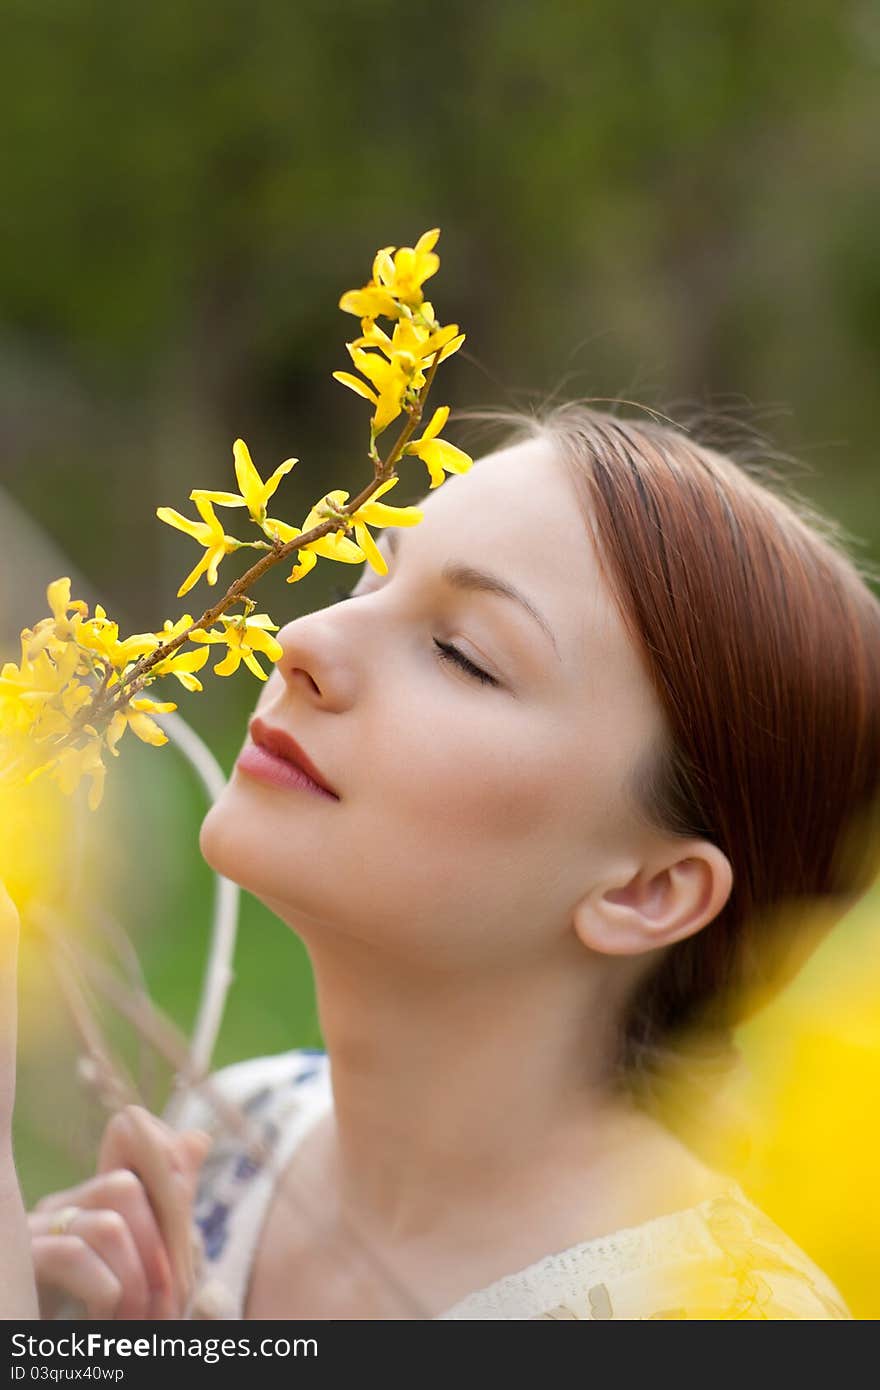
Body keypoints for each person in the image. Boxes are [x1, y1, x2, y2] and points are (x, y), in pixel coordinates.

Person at [9, 403, 880, 1319]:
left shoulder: (723, 1317)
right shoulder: (228, 1143)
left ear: (649, 891)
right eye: (367, 578)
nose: (301, 642)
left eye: (462, 656)